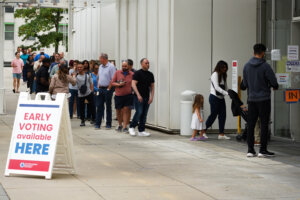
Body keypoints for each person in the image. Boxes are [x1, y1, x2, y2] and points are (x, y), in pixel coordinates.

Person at [243, 43, 278, 158]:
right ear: (262, 53)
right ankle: (262, 150)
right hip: (264, 99)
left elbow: (244, 84)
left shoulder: (247, 66)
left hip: (251, 99)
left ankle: (250, 150)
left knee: (251, 124)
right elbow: (273, 82)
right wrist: (274, 86)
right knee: (263, 124)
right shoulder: (265, 66)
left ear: (254, 52)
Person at [128, 58, 155, 137]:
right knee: (139, 112)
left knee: (144, 114)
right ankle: (132, 127)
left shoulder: (150, 74)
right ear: (142, 64)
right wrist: (138, 95)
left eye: (148, 63)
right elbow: (133, 84)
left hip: (146, 97)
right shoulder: (137, 73)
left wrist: (151, 97)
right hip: (138, 97)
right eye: (146, 63)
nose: (148, 64)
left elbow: (152, 87)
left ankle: (141, 130)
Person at [205, 60, 230, 140]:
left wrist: (229, 92)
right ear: (219, 67)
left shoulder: (223, 75)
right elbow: (216, 87)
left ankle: (221, 134)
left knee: (223, 115)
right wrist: (226, 93)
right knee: (213, 115)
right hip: (214, 98)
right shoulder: (215, 74)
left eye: (226, 68)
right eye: (223, 67)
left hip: (221, 98)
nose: (225, 69)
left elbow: (226, 87)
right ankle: (203, 131)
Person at [95, 53, 116, 129]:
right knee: (99, 106)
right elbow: (98, 77)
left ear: (104, 59)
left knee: (108, 107)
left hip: (108, 88)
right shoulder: (100, 66)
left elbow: (113, 79)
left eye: (100, 58)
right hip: (100, 89)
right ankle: (97, 124)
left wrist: (108, 88)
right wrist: (98, 86)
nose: (99, 60)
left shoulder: (111, 67)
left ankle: (108, 124)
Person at [112, 60, 134, 133]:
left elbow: (134, 84)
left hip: (128, 95)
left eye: (125, 66)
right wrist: (119, 84)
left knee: (126, 110)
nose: (124, 67)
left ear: (129, 66)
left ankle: (125, 127)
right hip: (118, 95)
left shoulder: (132, 74)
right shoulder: (117, 72)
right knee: (118, 110)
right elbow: (112, 82)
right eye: (123, 66)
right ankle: (120, 124)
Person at [76, 62, 95, 126]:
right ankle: (82, 120)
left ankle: (94, 119)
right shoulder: (76, 76)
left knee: (92, 106)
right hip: (80, 94)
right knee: (81, 108)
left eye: (81, 67)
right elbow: (73, 83)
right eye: (78, 67)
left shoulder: (88, 75)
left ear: (83, 67)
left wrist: (92, 91)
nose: (79, 68)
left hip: (88, 93)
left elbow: (91, 83)